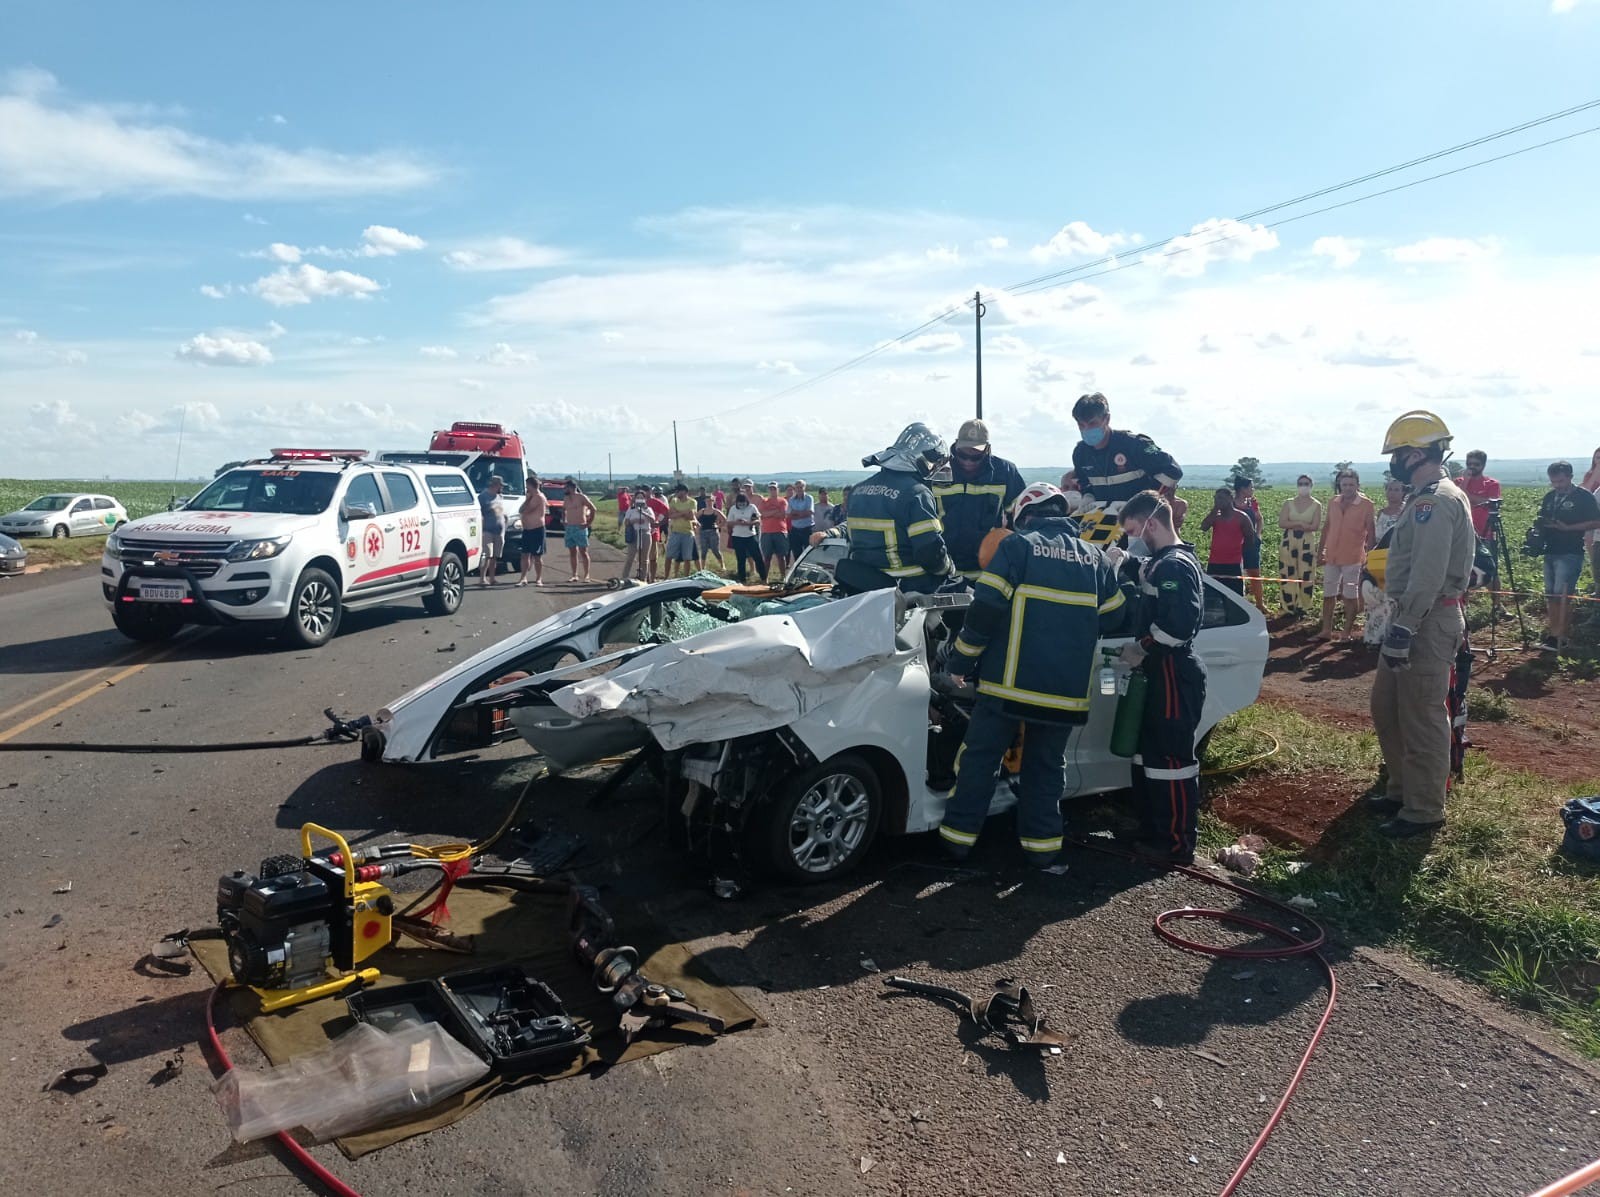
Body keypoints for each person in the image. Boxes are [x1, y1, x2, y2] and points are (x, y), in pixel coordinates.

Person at [939, 484, 1125, 870]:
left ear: (1024, 516)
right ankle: (1042, 852)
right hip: (1065, 694)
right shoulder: (1095, 559)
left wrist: (959, 663)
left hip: (1007, 686)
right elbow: (1114, 617)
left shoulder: (1017, 548)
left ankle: (957, 843)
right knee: (1045, 768)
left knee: (981, 761)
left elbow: (986, 609)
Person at [1369, 410, 1475, 837]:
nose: (1393, 462)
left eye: (1397, 454)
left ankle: (1424, 809)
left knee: (1422, 715)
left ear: (1414, 455)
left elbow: (1428, 574)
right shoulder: (1424, 496)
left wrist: (1404, 626)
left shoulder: (1437, 500)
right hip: (1410, 615)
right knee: (1388, 708)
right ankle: (1401, 790)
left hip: (1426, 620)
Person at [1115, 490, 1208, 865]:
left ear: (1151, 524)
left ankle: (1175, 843)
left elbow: (1179, 624)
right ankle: (1152, 828)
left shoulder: (1174, 566)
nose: (1134, 538)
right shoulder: (1161, 562)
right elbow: (1145, 571)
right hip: (1158, 670)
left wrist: (1145, 646)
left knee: (1170, 759)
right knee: (1149, 755)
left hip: (1172, 671)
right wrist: (1123, 560)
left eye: (1135, 531)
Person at [846, 422, 954, 594]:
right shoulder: (917, 494)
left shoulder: (858, 490)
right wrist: (948, 568)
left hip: (863, 590)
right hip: (909, 591)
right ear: (922, 458)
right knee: (968, 599)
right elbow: (929, 553)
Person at [932, 418, 1027, 580]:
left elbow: (1021, 517)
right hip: (944, 571)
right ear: (955, 446)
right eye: (962, 455)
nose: (968, 461)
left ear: (987, 450)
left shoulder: (1005, 472)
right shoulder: (937, 471)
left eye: (975, 457)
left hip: (988, 572)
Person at [1070, 391, 1183, 515]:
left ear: (1106, 419)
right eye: (1081, 425)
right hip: (1103, 520)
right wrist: (1088, 495)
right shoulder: (1080, 453)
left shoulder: (1135, 444)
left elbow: (1173, 471)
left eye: (1092, 423)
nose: (1087, 429)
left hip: (1141, 519)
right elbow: (1084, 481)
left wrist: (1144, 502)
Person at [1536, 460, 1600, 652]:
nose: (1557, 485)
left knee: (1562, 594)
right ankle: (1553, 633)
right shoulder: (1549, 497)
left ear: (1571, 477)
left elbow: (1596, 521)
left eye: (1561, 481)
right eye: (1554, 482)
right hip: (1550, 550)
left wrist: (1568, 528)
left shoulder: (1584, 497)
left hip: (1570, 552)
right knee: (1551, 594)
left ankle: (1561, 636)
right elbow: (1542, 517)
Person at [1317, 468, 1376, 641]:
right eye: (1344, 484)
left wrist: (1370, 555)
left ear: (1357, 485)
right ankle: (1326, 630)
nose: (1348, 487)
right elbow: (1326, 527)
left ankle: (1346, 633)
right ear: (1339, 485)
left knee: (1350, 596)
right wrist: (1320, 551)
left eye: (1351, 484)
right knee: (1328, 595)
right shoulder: (1333, 502)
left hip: (1353, 557)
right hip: (1332, 556)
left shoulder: (1366, 504)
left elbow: (1371, 533)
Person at [1277, 474, 1322, 621]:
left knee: (1306, 574)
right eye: (1301, 483)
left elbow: (1315, 526)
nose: (1303, 486)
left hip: (1306, 543)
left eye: (1306, 484)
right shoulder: (1288, 503)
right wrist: (1301, 525)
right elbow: (1282, 523)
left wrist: (1297, 524)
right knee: (1288, 573)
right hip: (1288, 542)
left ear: (1311, 486)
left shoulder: (1316, 505)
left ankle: (1304, 606)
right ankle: (1289, 606)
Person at [1199, 486, 1256, 596]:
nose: (1218, 501)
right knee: (1213, 595)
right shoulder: (1215, 517)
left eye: (1221, 498)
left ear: (1230, 498)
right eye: (1216, 499)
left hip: (1233, 564)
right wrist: (1215, 509)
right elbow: (1204, 527)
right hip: (1214, 563)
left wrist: (1238, 551)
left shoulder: (1242, 517)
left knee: (1235, 595)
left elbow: (1250, 538)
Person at [1232, 477, 1266, 612]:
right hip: (1234, 544)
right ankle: (1240, 604)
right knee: (1237, 574)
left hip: (1251, 544)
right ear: (1242, 489)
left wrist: (1258, 534)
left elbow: (1259, 519)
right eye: (1251, 487)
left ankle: (1260, 604)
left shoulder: (1252, 503)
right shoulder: (1230, 503)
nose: (1253, 489)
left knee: (1254, 573)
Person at [725, 488, 763, 582]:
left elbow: (758, 521)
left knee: (757, 557)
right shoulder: (733, 509)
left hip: (750, 536)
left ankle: (764, 578)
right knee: (741, 560)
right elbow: (729, 523)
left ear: (747, 502)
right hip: (737, 537)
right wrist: (737, 522)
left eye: (743, 503)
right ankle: (742, 580)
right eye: (740, 503)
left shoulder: (752, 507)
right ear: (737, 503)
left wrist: (749, 523)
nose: (742, 505)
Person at [517, 474, 548, 587]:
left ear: (531, 485)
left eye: (527, 485)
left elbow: (524, 510)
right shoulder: (529, 496)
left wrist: (528, 499)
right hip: (527, 529)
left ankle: (539, 578)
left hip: (537, 529)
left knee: (537, 556)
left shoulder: (538, 497)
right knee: (525, 554)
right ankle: (523, 578)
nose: (526, 488)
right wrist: (528, 498)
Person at [562, 478, 595, 583]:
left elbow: (593, 509)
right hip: (570, 527)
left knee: (583, 552)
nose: (565, 489)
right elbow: (563, 510)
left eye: (566, 487)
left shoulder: (581, 497)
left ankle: (586, 575)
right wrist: (564, 520)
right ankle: (574, 575)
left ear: (572, 487)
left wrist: (588, 523)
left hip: (580, 527)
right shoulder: (566, 499)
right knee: (572, 552)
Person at [756, 482, 791, 582]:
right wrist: (775, 512)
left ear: (778, 490)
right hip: (766, 532)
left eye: (774, 489)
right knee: (767, 557)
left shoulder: (782, 501)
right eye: (770, 489)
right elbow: (761, 514)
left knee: (781, 556)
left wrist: (769, 514)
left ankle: (783, 577)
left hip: (780, 531)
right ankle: (765, 578)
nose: (772, 491)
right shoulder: (764, 501)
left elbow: (782, 515)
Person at [620, 485, 656, 581]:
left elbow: (653, 521)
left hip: (645, 534)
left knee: (644, 559)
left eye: (641, 498)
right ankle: (624, 577)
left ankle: (643, 578)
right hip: (634, 534)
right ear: (635, 499)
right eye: (638, 498)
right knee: (630, 557)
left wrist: (643, 512)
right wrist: (634, 521)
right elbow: (626, 522)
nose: (639, 499)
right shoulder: (631, 509)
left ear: (644, 499)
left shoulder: (649, 509)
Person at [664, 482, 699, 579]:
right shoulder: (674, 501)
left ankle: (686, 578)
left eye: (678, 491)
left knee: (687, 558)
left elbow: (691, 516)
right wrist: (684, 512)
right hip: (675, 532)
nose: (677, 492)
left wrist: (678, 513)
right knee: (669, 556)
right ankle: (666, 577)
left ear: (684, 492)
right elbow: (670, 515)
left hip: (688, 533)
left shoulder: (692, 502)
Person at [478, 475, 507, 587]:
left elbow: (501, 512)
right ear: (495, 485)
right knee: (486, 555)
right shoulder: (483, 497)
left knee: (495, 556)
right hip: (487, 530)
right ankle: (482, 578)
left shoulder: (500, 496)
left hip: (499, 531)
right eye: (501, 485)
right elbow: (479, 513)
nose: (502, 488)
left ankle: (492, 578)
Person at [1581, 449, 1600, 597]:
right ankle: (1597, 585)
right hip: (1591, 521)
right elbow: (1584, 492)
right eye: (1597, 458)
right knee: (1594, 555)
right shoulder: (1590, 475)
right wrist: (1596, 472)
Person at [786, 479, 816, 562]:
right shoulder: (791, 500)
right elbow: (788, 515)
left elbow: (810, 512)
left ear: (804, 488)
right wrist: (802, 514)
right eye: (797, 487)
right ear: (795, 489)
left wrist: (795, 513)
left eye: (801, 487)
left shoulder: (809, 498)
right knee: (796, 553)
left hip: (807, 529)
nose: (799, 489)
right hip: (795, 530)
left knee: (809, 552)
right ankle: (798, 571)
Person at [697, 494, 727, 571]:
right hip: (703, 532)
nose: (709, 502)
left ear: (713, 501)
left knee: (715, 550)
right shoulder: (702, 511)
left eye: (711, 501)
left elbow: (725, 520)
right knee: (703, 551)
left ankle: (722, 565)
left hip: (713, 532)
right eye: (707, 501)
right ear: (705, 502)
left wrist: (719, 526)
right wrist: (698, 525)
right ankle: (702, 568)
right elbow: (695, 518)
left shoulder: (716, 511)